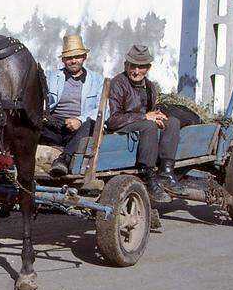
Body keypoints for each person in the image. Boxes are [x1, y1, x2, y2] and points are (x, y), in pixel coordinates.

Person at [106, 45, 181, 202]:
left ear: (148, 68)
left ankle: (166, 172)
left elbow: (150, 113)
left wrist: (157, 116)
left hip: (142, 123)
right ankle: (147, 174)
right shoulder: (118, 83)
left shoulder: (150, 86)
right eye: (133, 66)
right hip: (122, 125)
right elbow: (113, 119)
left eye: (141, 67)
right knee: (149, 126)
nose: (136, 71)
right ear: (126, 65)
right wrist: (145, 117)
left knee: (172, 122)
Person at [41, 34, 104, 177]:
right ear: (63, 60)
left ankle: (64, 160)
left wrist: (80, 120)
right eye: (69, 58)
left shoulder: (97, 80)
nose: (73, 61)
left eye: (77, 56)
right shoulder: (51, 76)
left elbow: (103, 109)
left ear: (84, 57)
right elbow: (41, 99)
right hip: (54, 125)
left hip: (78, 129)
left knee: (90, 123)